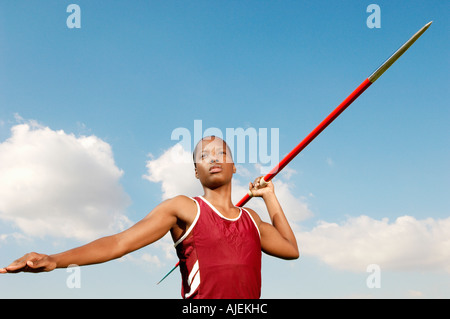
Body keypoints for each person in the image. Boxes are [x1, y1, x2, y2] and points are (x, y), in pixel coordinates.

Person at [0, 136, 299, 299]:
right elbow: (119, 243)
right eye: (204, 156)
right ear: (196, 172)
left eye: (221, 153)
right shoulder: (183, 208)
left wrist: (270, 195)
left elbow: (291, 249)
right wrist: (54, 259)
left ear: (234, 166)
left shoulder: (252, 220)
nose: (213, 159)